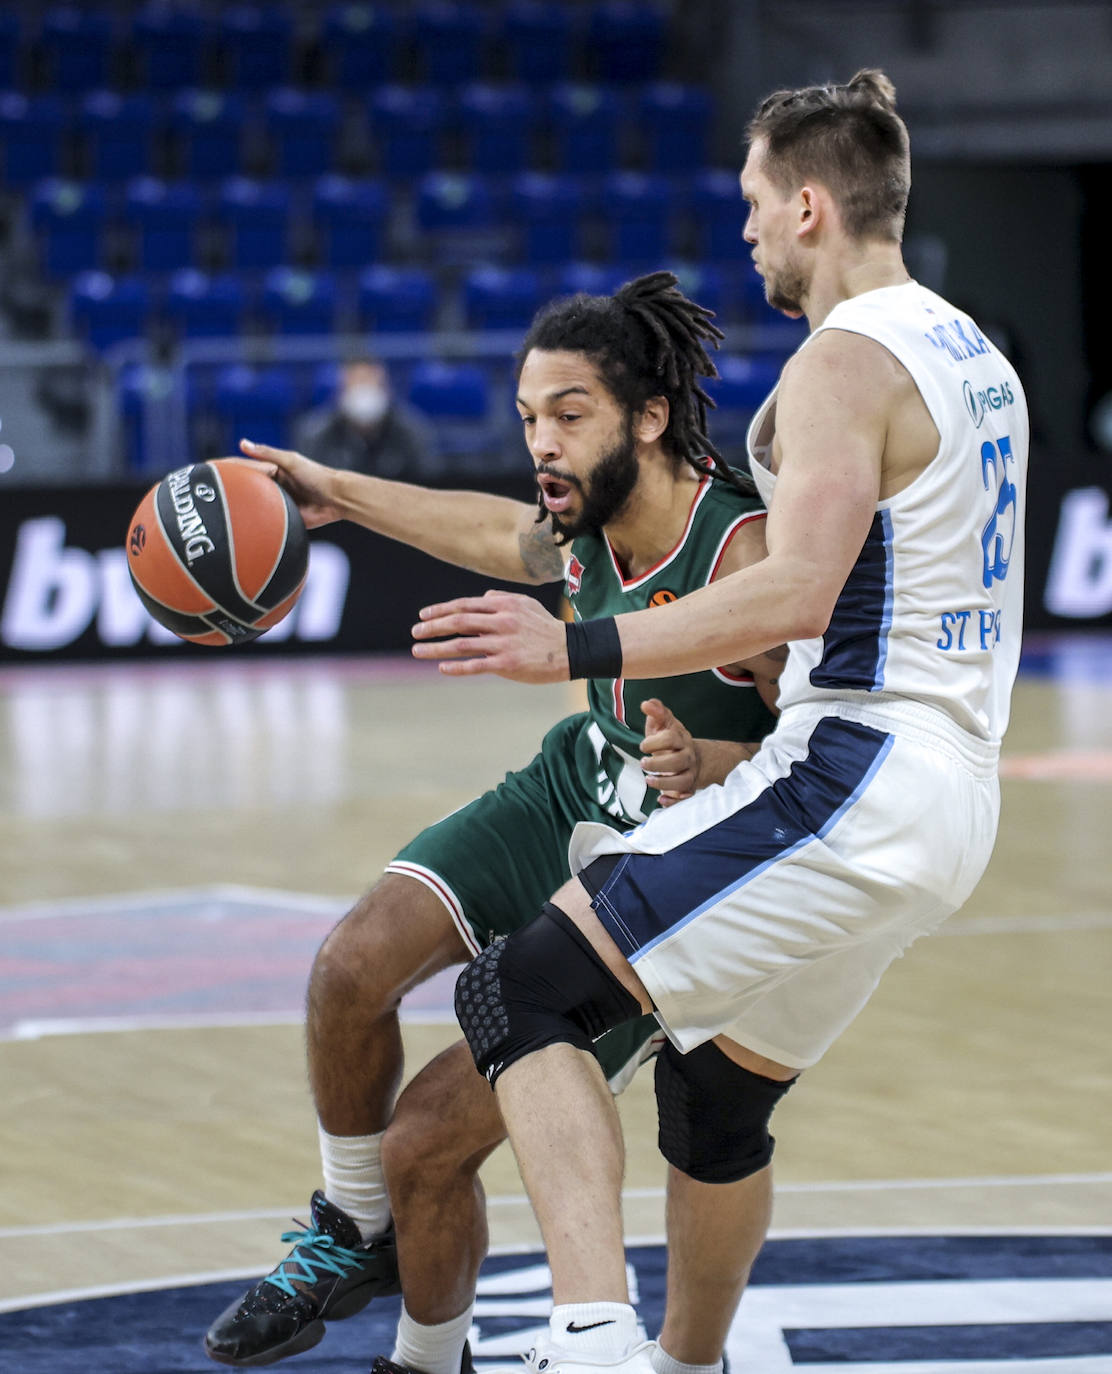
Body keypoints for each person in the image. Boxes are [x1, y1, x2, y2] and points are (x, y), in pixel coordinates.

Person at [412, 70, 1030, 1374]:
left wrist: (571, 642)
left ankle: (590, 1342)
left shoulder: (840, 367)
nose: (745, 229)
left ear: (810, 206)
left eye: (755, 202)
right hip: (948, 787)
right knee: (718, 1089)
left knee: (519, 987)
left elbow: (793, 593)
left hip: (862, 776)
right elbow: (887, 603)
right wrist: (742, 745)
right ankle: (693, 1362)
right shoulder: (971, 352)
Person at [204, 272, 787, 1373]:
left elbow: (834, 754)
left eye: (568, 414)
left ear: (647, 416)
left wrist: (717, 758)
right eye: (528, 418)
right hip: (570, 789)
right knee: (346, 966)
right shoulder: (580, 516)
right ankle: (347, 1227)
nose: (542, 444)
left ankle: (428, 1359)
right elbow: (498, 533)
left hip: (663, 873)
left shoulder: (743, 551)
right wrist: (339, 489)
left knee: (426, 1141)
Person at [292, 356, 439, 479]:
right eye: (356, 383)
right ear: (340, 390)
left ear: (386, 388)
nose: (364, 391)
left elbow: (426, 484)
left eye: (370, 382)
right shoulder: (316, 434)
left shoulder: (412, 431)